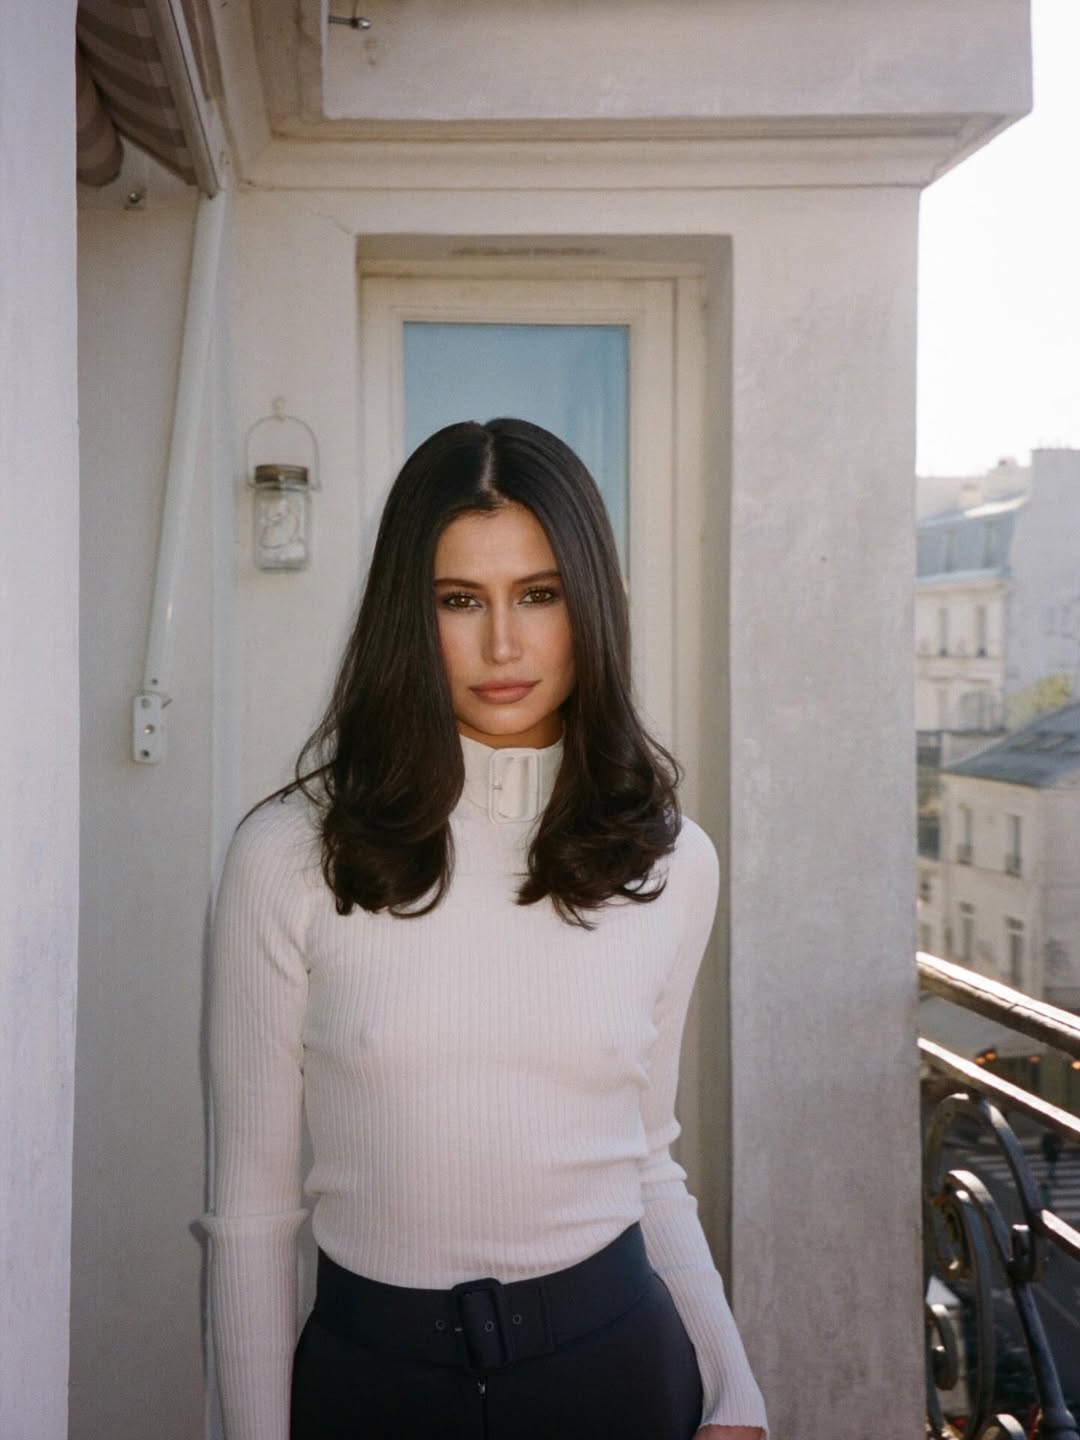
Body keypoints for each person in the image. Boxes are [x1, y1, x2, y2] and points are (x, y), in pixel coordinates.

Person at [202, 418, 768, 1440]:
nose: (502, 645)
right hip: (372, 1385)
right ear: (404, 618)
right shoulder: (288, 855)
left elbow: (646, 1155)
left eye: (539, 595)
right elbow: (251, 1208)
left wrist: (735, 1392)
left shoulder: (671, 862)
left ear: (591, 605)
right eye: (458, 600)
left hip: (619, 1373)